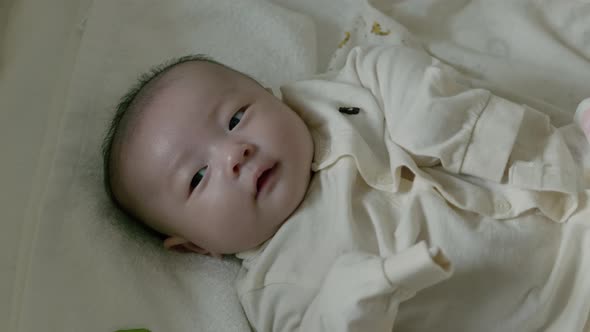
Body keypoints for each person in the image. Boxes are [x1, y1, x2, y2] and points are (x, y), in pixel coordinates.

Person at [102, 45, 590, 331]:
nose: (234, 154)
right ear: (196, 247)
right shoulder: (278, 284)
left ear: (268, 94)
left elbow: (383, 61)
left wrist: (425, 114)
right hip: (556, 305)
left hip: (557, 162)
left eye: (236, 117)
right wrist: (360, 291)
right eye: (197, 177)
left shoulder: (332, 96)